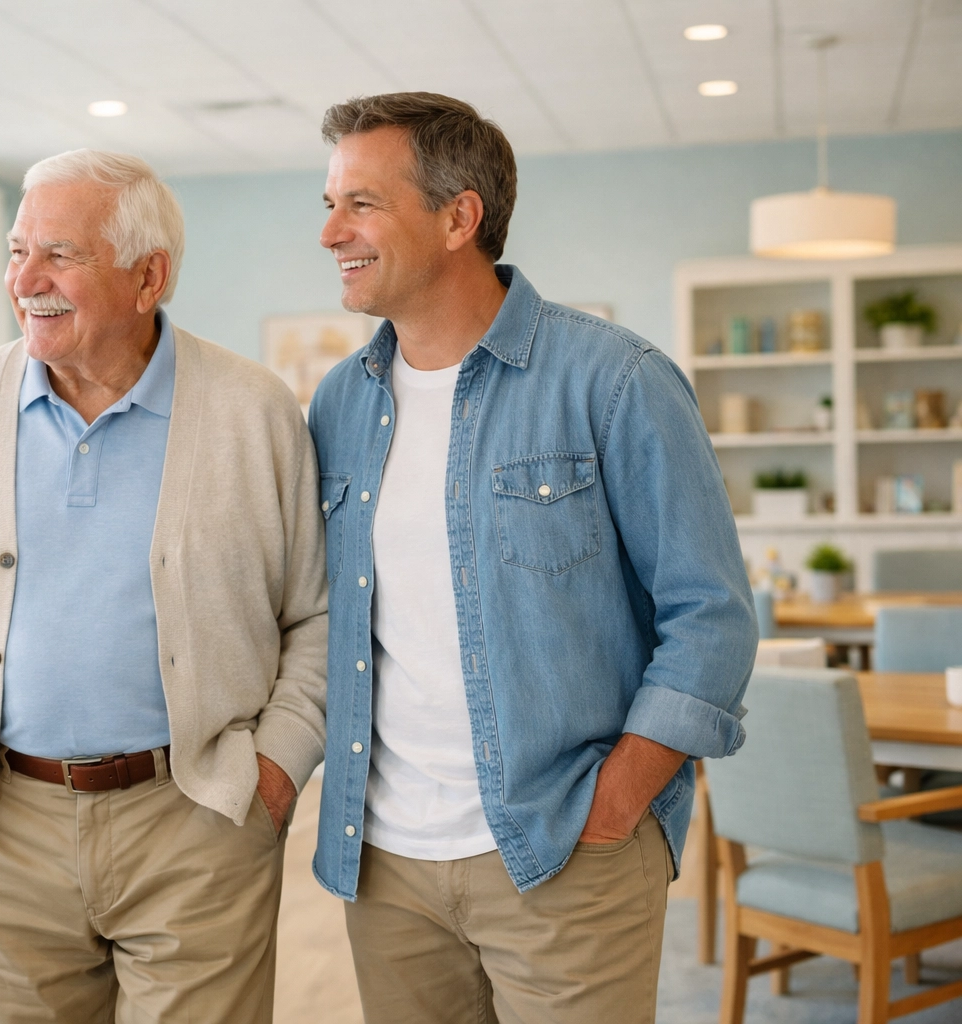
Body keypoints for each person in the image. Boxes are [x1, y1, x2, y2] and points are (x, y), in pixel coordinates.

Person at [306, 92, 757, 1024]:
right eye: (328, 204)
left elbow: (710, 616)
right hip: (385, 865)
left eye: (360, 203)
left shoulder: (615, 379)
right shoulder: (339, 405)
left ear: (459, 216)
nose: (331, 233)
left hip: (564, 848)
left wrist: (617, 804)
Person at [0, 149, 328, 1023]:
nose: (26, 279)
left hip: (197, 816)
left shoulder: (253, 410)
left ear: (147, 275)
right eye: (16, 251)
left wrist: (275, 772)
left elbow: (315, 613)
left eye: (59, 254)